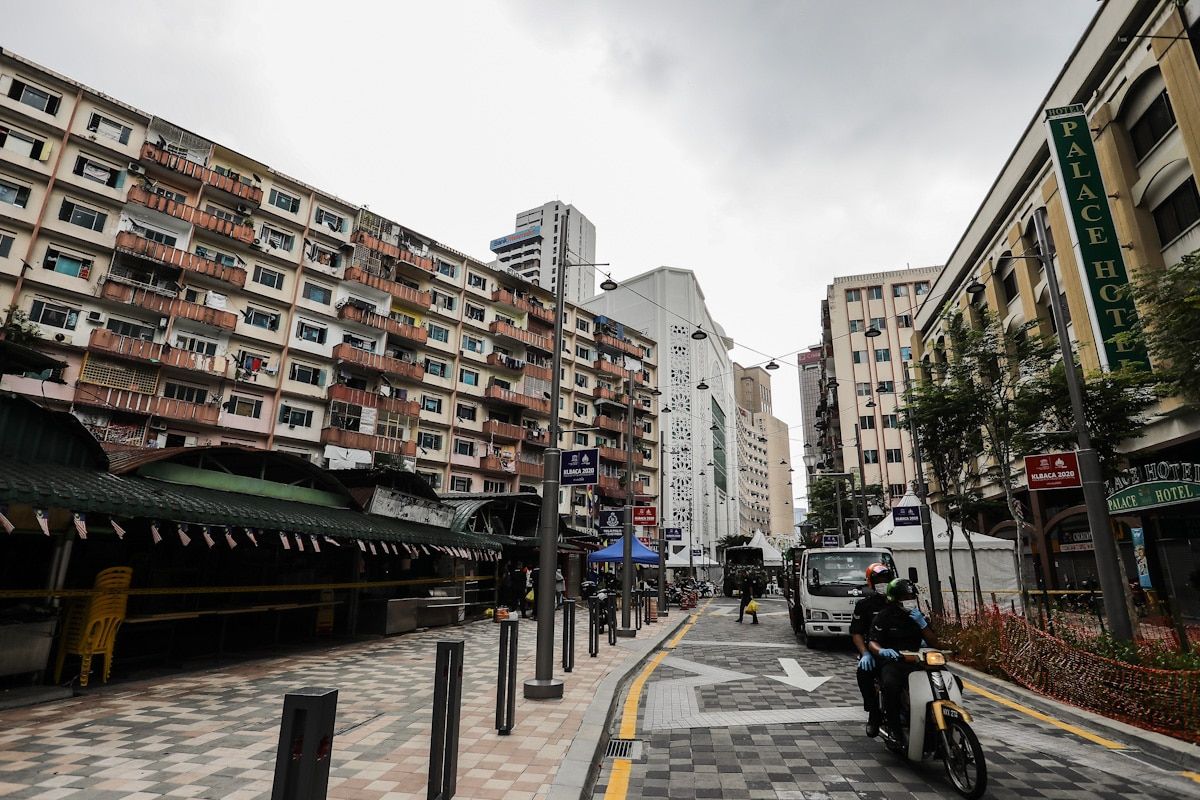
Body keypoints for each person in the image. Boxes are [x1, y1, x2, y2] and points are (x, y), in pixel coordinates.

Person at [867, 578, 938, 736]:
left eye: (911, 597)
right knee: (891, 686)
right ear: (895, 600)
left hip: (918, 662)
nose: (910, 601)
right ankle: (895, 727)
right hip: (894, 662)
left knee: (951, 682)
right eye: (905, 598)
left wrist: (923, 625)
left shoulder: (918, 617)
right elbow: (873, 642)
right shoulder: (884, 617)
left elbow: (935, 642)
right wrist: (882, 651)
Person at [851, 562, 894, 737]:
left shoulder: (901, 602)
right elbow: (856, 632)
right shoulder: (864, 605)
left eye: (886, 579)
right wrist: (865, 653)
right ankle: (874, 713)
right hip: (877, 652)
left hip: (905, 651)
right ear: (871, 583)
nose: (883, 583)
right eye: (879, 580)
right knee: (864, 673)